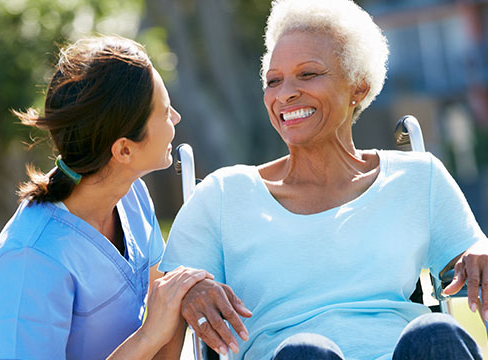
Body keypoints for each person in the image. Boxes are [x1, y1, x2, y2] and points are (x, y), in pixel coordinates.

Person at [158, 0, 488, 359]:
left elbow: (471, 258)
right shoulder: (222, 195)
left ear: (358, 87)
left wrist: (481, 250)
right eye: (274, 80)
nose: (285, 94)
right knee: (307, 352)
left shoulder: (418, 177)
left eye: (308, 74)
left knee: (436, 332)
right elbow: (163, 297)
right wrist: (186, 289)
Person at [0, 36, 212, 360]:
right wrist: (146, 337)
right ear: (124, 149)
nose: (177, 119)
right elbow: (154, 331)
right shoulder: (29, 259)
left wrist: (187, 292)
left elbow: (164, 312)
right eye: (166, 111)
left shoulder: (132, 196)